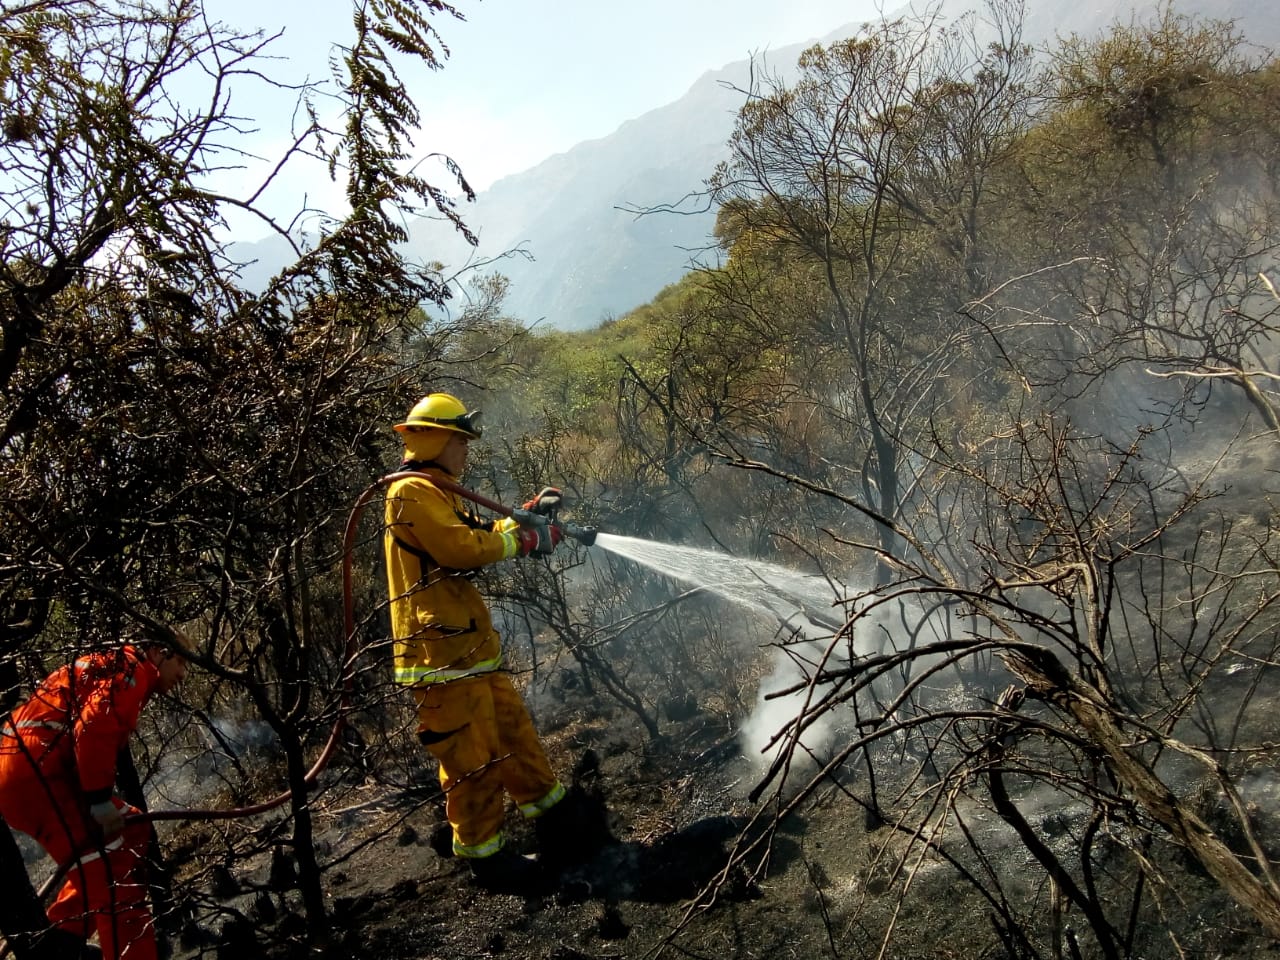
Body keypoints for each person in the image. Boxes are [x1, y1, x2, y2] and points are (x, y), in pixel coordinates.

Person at [384, 392, 579, 892]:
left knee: (514, 734)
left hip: (470, 650)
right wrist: (524, 541)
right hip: (439, 658)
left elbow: (478, 532)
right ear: (435, 439)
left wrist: (526, 517)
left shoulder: (437, 490)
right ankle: (486, 858)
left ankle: (554, 815)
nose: (466, 452)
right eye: (460, 441)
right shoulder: (410, 493)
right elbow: (460, 549)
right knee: (471, 762)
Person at [0, 636, 188, 960]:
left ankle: (64, 941)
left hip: (28, 773)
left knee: (133, 827)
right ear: (158, 651)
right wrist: (99, 801)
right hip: (36, 778)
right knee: (115, 875)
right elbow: (94, 725)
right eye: (181, 662)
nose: (183, 674)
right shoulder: (131, 669)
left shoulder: (112, 662)